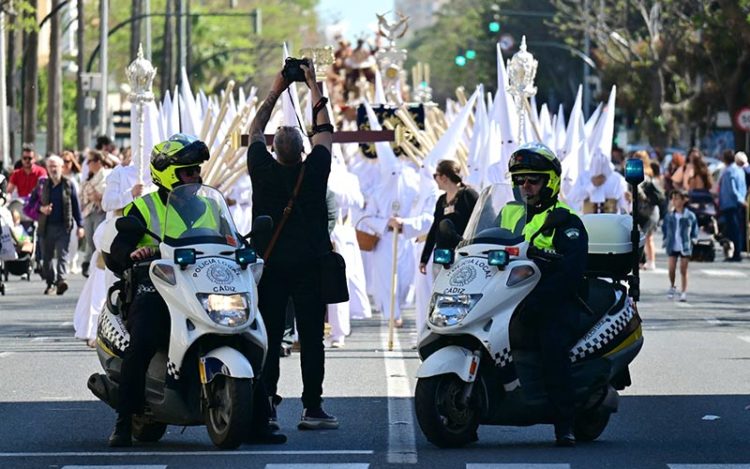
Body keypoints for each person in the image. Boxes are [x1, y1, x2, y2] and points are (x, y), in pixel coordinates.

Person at [105, 134, 284, 447]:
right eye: (188, 172)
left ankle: (260, 417)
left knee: (245, 332)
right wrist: (134, 254)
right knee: (144, 338)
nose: (196, 177)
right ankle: (124, 420)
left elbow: (229, 239)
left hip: (201, 284)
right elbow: (119, 248)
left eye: (197, 171)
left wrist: (242, 247)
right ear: (169, 173)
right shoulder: (142, 208)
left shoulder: (209, 205)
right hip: (156, 286)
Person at [246, 60, 339, 430]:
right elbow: (325, 131)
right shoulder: (316, 169)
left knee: (268, 336)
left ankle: (266, 403)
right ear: (303, 151)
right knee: (312, 340)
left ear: (273, 149)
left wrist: (277, 88)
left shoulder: (261, 169)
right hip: (311, 265)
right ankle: (312, 407)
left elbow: (254, 130)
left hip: (271, 266)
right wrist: (313, 86)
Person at [500, 142, 588, 447]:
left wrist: (539, 300)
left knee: (552, 345)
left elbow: (571, 272)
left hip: (552, 299)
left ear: (550, 181)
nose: (526, 186)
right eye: (520, 180)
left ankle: (565, 423)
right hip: (510, 296)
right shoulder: (508, 214)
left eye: (533, 180)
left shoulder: (566, 219)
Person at [417, 159, 478, 274]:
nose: (435, 179)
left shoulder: (468, 195)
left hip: (463, 255)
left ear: (444, 177)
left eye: (436, 175)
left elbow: (482, 219)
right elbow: (434, 229)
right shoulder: (441, 201)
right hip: (443, 257)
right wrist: (424, 259)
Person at [37, 155, 84, 295]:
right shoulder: (42, 184)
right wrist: (41, 209)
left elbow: (75, 205)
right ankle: (50, 282)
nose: (53, 169)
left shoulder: (68, 184)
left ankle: (61, 281)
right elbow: (32, 203)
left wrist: (80, 225)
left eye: (55, 166)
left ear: (61, 167)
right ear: (47, 168)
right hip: (46, 227)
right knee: (47, 258)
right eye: (50, 166)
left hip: (64, 226)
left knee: (63, 255)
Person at [662, 189, 698, 302]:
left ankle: (683, 292)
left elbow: (694, 229)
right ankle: (672, 286)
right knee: (671, 268)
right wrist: (665, 239)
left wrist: (693, 239)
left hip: (685, 245)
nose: (674, 201)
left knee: (683, 269)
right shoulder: (669, 216)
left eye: (677, 198)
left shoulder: (690, 215)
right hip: (672, 245)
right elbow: (664, 228)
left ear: (684, 200)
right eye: (672, 198)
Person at [633, 151, 663, 270]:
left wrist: (636, 195)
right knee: (645, 237)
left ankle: (649, 261)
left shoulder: (643, 175)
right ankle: (648, 261)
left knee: (645, 237)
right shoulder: (650, 173)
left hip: (646, 210)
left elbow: (638, 190)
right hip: (648, 209)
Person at [718, 149, 747, 261]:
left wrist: (739, 200)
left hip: (731, 204)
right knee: (736, 229)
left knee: (733, 230)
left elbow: (732, 189)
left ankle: (736, 254)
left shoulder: (729, 171)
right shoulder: (739, 170)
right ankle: (736, 252)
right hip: (737, 203)